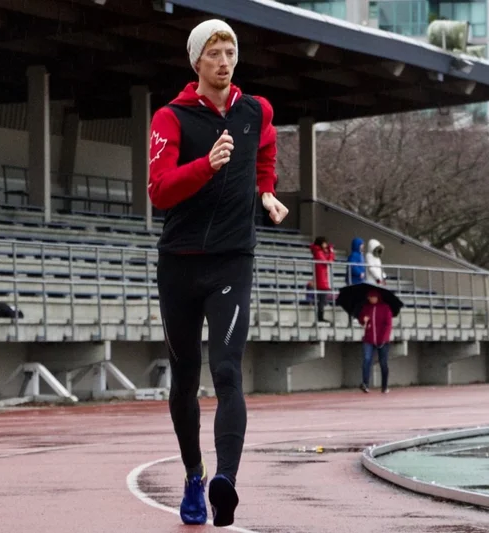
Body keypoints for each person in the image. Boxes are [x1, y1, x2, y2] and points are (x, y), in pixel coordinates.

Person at [147, 19, 289, 528]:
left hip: (233, 260)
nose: (224, 60)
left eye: (230, 50)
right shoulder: (171, 118)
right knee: (185, 379)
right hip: (179, 266)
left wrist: (266, 191)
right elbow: (159, 191)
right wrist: (206, 165)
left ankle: (225, 479)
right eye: (214, 52)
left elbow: (266, 149)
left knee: (227, 371)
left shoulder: (256, 110)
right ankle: (193, 474)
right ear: (196, 62)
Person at [359, 289, 393, 393]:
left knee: (383, 363)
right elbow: (361, 319)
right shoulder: (366, 308)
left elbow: (388, 324)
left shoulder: (385, 308)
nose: (371, 300)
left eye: (373, 298)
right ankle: (365, 383)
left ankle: (384, 386)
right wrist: (362, 320)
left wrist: (384, 338)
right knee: (367, 359)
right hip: (369, 339)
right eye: (369, 298)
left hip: (382, 340)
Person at [309, 236, 335, 324]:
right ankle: (320, 317)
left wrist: (328, 252)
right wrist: (331, 252)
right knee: (322, 299)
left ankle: (321, 317)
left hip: (322, 278)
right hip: (321, 279)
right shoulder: (318, 252)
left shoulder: (319, 252)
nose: (326, 245)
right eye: (324, 243)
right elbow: (328, 262)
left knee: (323, 299)